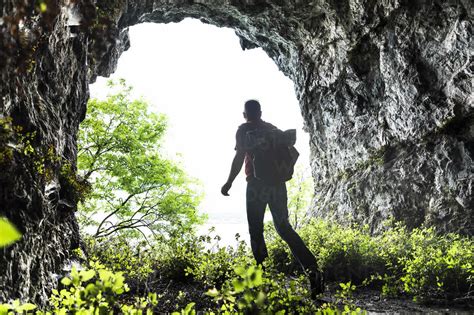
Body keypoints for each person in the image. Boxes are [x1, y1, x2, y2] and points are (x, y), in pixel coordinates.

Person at [221, 99, 324, 298]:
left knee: (256, 231)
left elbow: (239, 157)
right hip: (278, 185)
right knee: (284, 228)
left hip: (256, 186)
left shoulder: (243, 130)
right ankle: (313, 271)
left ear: (245, 114)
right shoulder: (273, 130)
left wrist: (229, 182)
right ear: (260, 112)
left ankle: (264, 284)